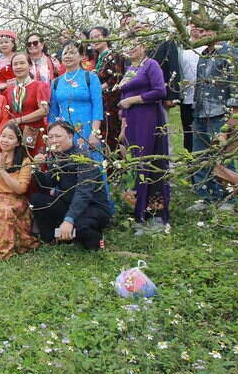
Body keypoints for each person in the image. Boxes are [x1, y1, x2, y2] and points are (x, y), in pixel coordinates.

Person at [187, 28, 238, 213]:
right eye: (199, 31)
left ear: (217, 30)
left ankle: (227, 199)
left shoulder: (232, 53)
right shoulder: (203, 55)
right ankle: (206, 197)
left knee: (223, 158)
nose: (202, 34)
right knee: (200, 157)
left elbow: (237, 90)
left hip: (221, 114)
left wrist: (231, 123)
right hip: (201, 114)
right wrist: (195, 114)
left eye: (207, 30)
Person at [30, 122, 112, 250]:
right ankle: (51, 238)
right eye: (50, 137)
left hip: (92, 206)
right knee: (37, 200)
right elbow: (47, 185)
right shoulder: (56, 156)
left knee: (80, 227)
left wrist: (69, 219)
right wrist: (37, 168)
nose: (54, 140)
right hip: (69, 202)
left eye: (58, 136)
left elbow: (83, 193)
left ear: (70, 136)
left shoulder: (83, 158)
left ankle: (95, 240)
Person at [117, 37, 170, 234]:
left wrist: (134, 100)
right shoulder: (130, 69)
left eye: (134, 45)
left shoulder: (151, 65)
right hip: (131, 122)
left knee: (151, 163)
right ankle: (138, 211)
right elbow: (123, 97)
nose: (131, 49)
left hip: (149, 118)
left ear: (143, 47)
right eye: (127, 46)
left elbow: (160, 91)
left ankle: (156, 213)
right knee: (135, 165)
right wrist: (123, 125)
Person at [0, 122, 38, 259]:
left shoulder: (24, 161)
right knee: (1, 209)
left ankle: (5, 250)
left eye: (10, 137)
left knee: (5, 210)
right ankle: (0, 245)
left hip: (15, 199)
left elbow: (21, 189)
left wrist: (2, 171)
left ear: (17, 142)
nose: (5, 140)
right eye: (3, 136)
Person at [47, 41, 103, 150]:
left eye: (72, 53)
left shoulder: (91, 77)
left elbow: (97, 107)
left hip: (86, 130)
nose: (68, 56)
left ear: (81, 56)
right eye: (65, 53)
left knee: (87, 159)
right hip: (63, 133)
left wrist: (94, 132)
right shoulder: (56, 82)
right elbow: (53, 112)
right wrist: (50, 136)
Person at [2, 52, 50, 156]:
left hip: (34, 133)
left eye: (22, 63)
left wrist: (19, 120)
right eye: (15, 64)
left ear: (30, 65)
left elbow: (44, 110)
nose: (18, 67)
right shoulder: (8, 90)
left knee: (34, 162)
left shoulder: (39, 86)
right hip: (14, 135)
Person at [89, 26, 126, 156]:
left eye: (98, 36)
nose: (95, 40)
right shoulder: (97, 58)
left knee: (112, 135)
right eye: (92, 38)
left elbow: (116, 78)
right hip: (100, 102)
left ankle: (116, 163)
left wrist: (97, 89)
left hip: (111, 102)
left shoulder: (114, 55)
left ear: (106, 37)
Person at [179, 23, 205, 152]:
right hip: (187, 98)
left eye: (197, 24)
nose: (194, 27)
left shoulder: (209, 48)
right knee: (189, 131)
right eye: (191, 25)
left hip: (207, 99)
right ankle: (191, 159)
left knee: (206, 131)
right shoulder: (182, 50)